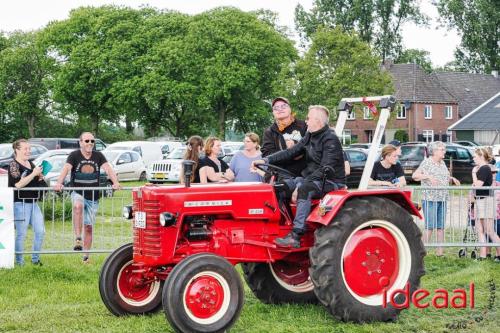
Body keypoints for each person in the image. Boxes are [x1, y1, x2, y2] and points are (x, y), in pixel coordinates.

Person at [252, 105, 345, 248]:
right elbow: (292, 151)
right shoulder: (310, 135)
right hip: (311, 179)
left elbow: (325, 169)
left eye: (308, 118)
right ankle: (282, 227)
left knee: (304, 189)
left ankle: (296, 235)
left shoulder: (330, 139)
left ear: (317, 120)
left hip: (330, 182)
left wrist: (301, 185)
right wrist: (266, 160)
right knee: (278, 188)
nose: (306, 121)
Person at [54, 132, 120, 264]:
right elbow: (66, 169)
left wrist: (115, 182)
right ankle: (78, 237)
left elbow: (108, 169)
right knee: (77, 206)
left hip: (93, 196)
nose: (90, 143)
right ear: (80, 142)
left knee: (89, 227)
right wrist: (59, 182)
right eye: (87, 141)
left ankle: (85, 257)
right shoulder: (74, 155)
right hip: (78, 191)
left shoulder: (98, 155)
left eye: (92, 141)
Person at [412, 141, 460, 256]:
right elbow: (415, 176)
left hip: (442, 199)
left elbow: (445, 176)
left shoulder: (442, 163)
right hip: (430, 199)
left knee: (440, 227)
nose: (444, 151)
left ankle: (440, 253)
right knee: (430, 226)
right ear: (434, 151)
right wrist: (428, 176)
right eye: (441, 149)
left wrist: (452, 178)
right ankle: (420, 254)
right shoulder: (427, 162)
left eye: (444, 149)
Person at [8, 139, 46, 266]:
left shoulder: (31, 163)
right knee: (21, 234)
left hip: (34, 203)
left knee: (40, 231)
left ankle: (35, 259)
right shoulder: (13, 165)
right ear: (17, 150)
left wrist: (40, 177)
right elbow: (18, 184)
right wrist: (33, 174)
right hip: (20, 203)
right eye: (25, 149)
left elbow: (36, 179)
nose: (28, 151)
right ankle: (19, 262)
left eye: (29, 149)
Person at [261, 97, 307, 177]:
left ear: (290, 109)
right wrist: (287, 150)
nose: (280, 109)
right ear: (273, 112)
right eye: (276, 108)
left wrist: (296, 147)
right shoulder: (269, 131)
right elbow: (266, 154)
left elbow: (312, 148)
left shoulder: (303, 126)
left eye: (283, 106)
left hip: (302, 176)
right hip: (279, 175)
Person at [471, 147, 500, 261]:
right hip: (481, 200)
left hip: (486, 201)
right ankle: (483, 256)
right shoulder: (483, 168)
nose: (473, 158)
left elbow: (477, 185)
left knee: (489, 230)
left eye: (475, 156)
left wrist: (473, 173)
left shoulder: (484, 169)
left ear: (481, 156)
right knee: (480, 229)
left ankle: (498, 254)